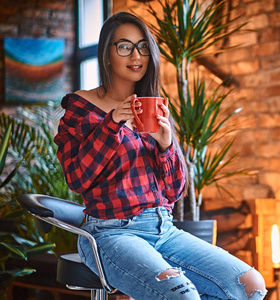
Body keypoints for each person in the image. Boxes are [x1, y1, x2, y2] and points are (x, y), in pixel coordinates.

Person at [54, 12, 266, 300]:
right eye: (125, 46)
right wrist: (112, 124)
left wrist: (167, 146)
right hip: (110, 234)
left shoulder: (153, 107)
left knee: (251, 284)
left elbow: (174, 190)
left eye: (143, 46)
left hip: (164, 228)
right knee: (182, 294)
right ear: (106, 54)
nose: (136, 55)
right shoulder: (81, 108)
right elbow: (78, 179)